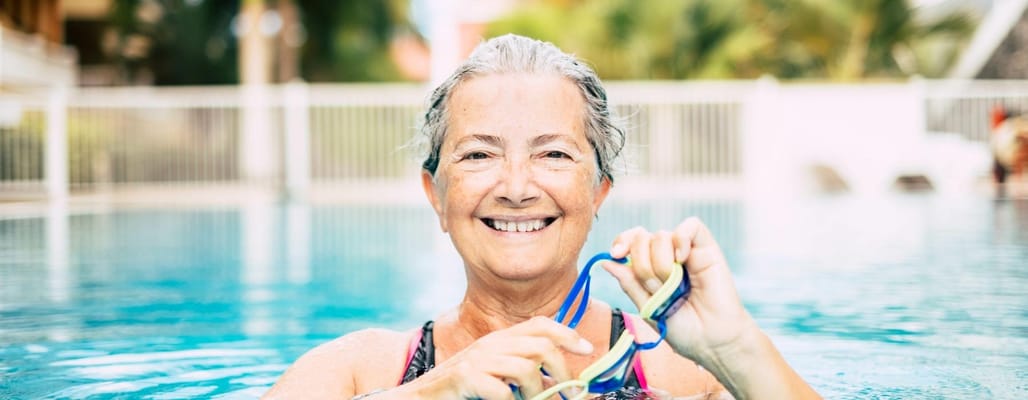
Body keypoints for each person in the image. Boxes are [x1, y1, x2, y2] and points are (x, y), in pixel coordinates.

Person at [264, 34, 820, 400]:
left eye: (553, 154)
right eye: (479, 154)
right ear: (436, 194)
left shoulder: (685, 377)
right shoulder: (360, 373)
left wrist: (735, 350)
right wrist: (438, 390)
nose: (516, 188)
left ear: (599, 191)